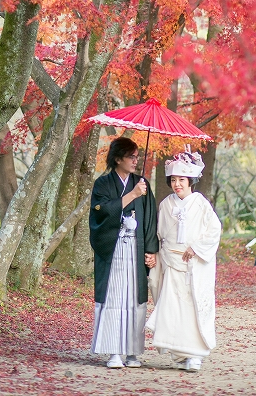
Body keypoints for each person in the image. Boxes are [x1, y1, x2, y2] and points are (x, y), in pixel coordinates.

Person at [145, 148, 221, 372]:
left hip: (193, 264)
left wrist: (196, 248)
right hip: (170, 262)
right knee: (171, 308)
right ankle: (179, 354)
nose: (177, 184)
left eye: (182, 180)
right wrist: (156, 254)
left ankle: (194, 354)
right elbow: (159, 235)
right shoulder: (166, 204)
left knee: (191, 308)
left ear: (191, 181)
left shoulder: (201, 203)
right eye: (174, 180)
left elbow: (214, 230)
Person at [89, 136, 158, 369]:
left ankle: (132, 352)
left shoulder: (142, 183)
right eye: (131, 156)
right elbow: (101, 212)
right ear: (118, 158)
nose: (135, 161)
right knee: (115, 296)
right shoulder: (103, 184)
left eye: (137, 157)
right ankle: (113, 351)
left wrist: (151, 249)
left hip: (136, 251)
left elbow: (150, 220)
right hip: (114, 247)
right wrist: (132, 195)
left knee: (134, 299)